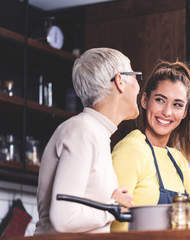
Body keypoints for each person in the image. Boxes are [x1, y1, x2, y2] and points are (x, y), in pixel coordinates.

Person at [111, 60, 190, 232]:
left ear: (185, 112)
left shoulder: (176, 159)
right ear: (144, 100)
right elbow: (113, 220)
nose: (167, 112)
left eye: (177, 104)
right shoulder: (130, 150)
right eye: (160, 100)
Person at [35, 48, 142, 234]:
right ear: (120, 81)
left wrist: (111, 205)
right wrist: (113, 209)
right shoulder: (83, 131)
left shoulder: (94, 133)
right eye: (135, 76)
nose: (139, 86)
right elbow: (64, 218)